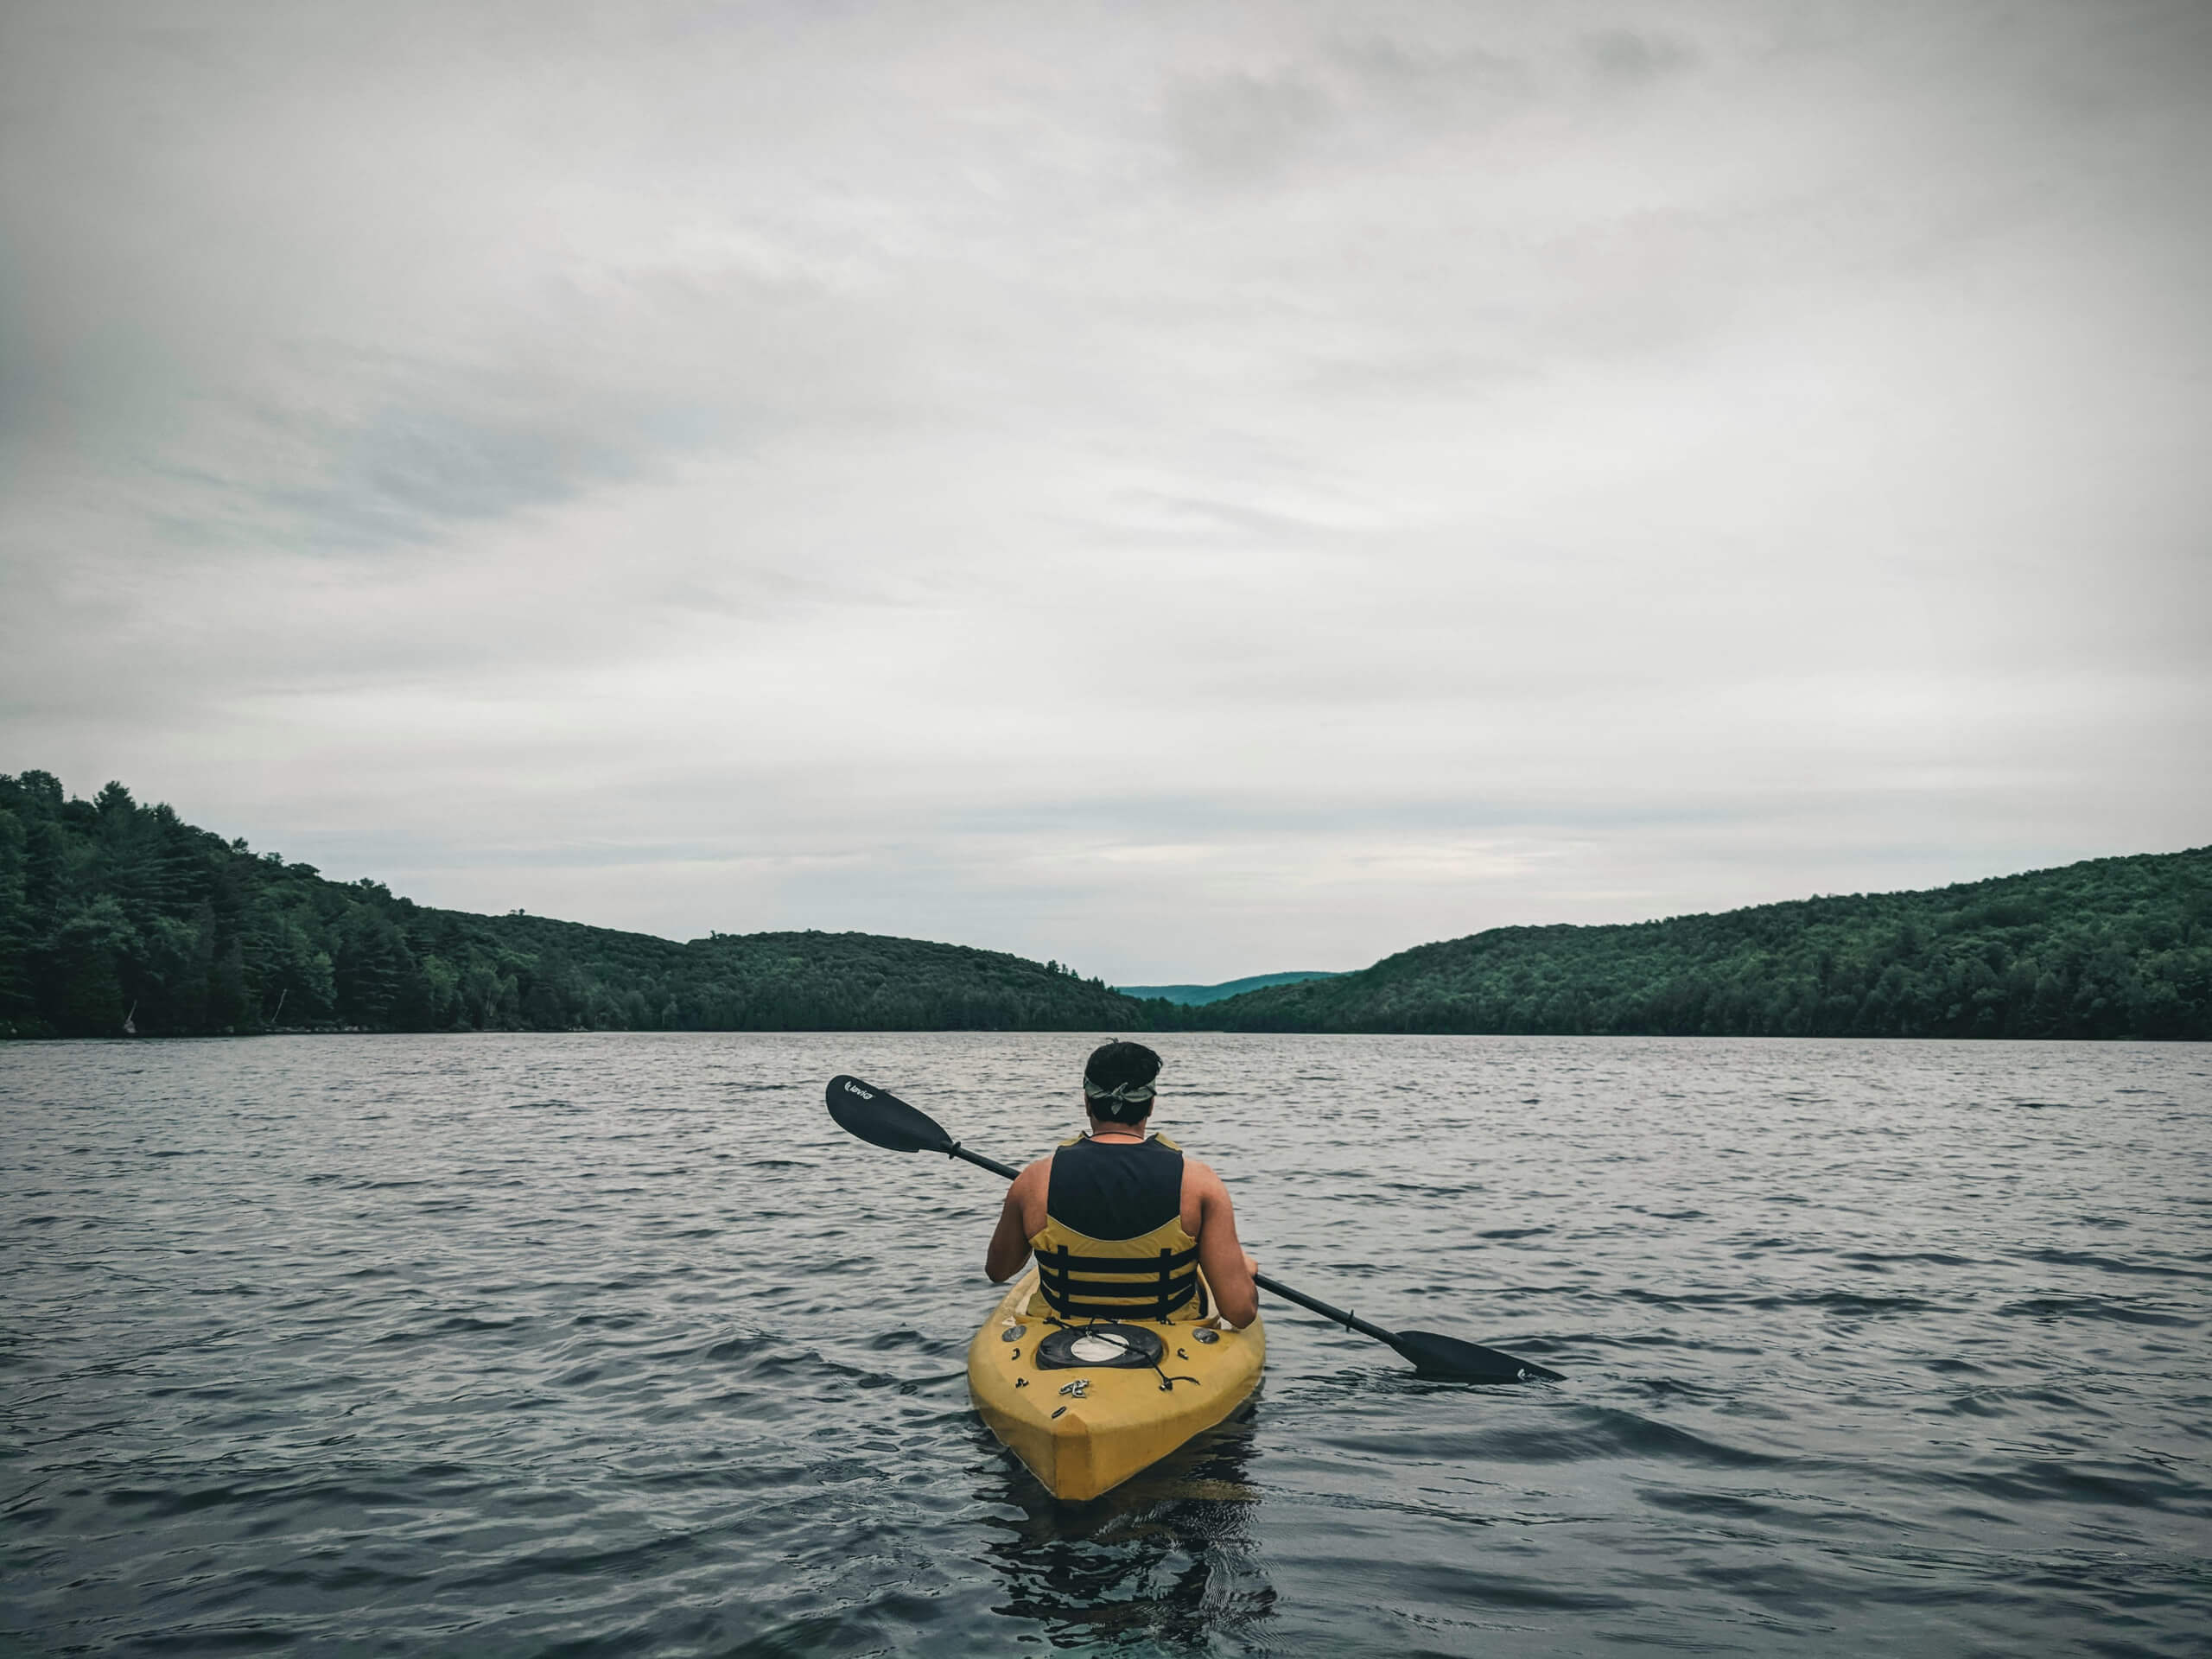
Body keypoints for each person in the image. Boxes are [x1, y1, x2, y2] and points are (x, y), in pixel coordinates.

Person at [985, 1039, 1261, 1328]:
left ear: (1087, 1102)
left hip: (1055, 1340)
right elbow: (1240, 1312)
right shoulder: (1200, 1183)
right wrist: (1239, 1268)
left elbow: (998, 1270)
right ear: (1150, 1105)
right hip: (1173, 1343)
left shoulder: (1032, 1182)